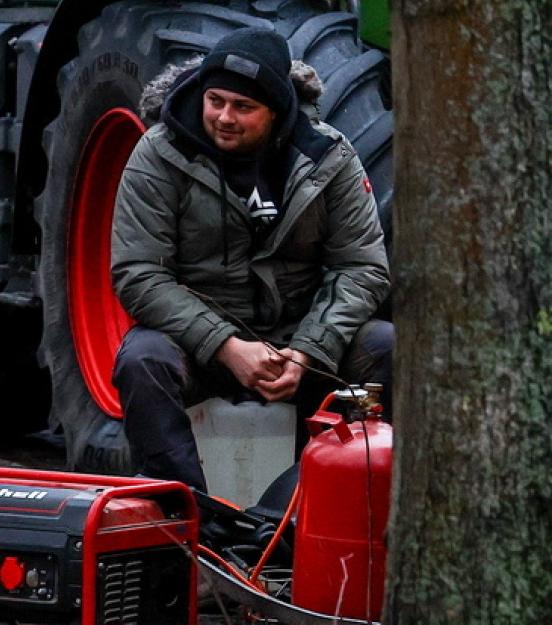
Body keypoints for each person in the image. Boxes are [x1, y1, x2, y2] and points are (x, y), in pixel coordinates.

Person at [109, 27, 393, 493]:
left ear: (277, 110)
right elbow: (138, 274)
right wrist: (226, 346)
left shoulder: (329, 155)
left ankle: (302, 506)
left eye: (243, 107)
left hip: (298, 336)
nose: (223, 117)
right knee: (143, 359)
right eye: (215, 100)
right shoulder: (159, 153)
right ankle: (188, 514)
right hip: (201, 341)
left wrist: (308, 349)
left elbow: (362, 266)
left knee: (384, 347)